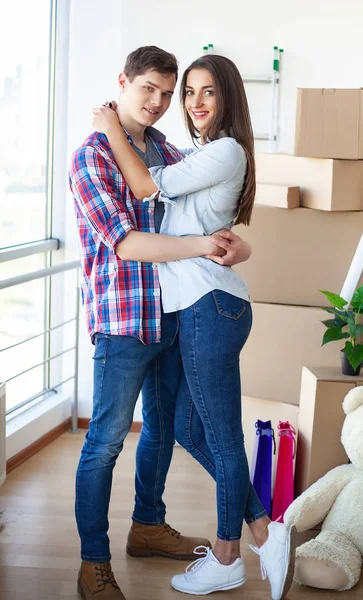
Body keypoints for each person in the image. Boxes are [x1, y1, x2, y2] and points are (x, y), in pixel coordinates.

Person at [92, 53, 297, 600]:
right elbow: (199, 220)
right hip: (197, 307)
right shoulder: (203, 153)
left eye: (206, 92)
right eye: (188, 92)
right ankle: (264, 530)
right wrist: (235, 243)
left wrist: (111, 123)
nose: (193, 102)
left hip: (212, 306)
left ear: (228, 97)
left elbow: (145, 187)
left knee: (224, 437)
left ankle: (229, 558)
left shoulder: (225, 149)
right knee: (187, 427)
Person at [69, 46, 251, 600]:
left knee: (163, 431)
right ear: (122, 82)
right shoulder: (93, 156)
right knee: (104, 442)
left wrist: (232, 247)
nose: (161, 101)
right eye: (149, 88)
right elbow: (125, 243)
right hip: (124, 318)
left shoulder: (167, 148)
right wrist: (204, 245)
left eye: (168, 93)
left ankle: (147, 524)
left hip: (174, 314)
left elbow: (202, 212)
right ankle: (92, 561)